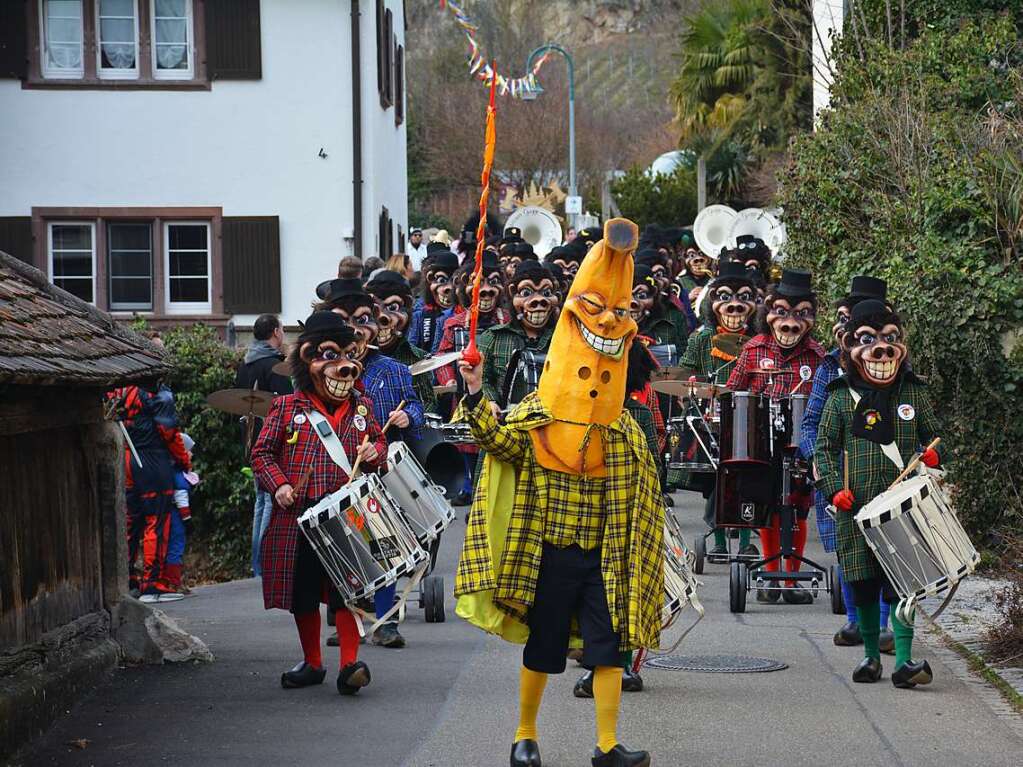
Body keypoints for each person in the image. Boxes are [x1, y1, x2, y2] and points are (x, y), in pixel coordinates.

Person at [455, 219, 662, 767]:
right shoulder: (537, 418)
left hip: (604, 556)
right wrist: (474, 391)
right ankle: (525, 735)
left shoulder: (625, 434)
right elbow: (495, 440)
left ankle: (608, 744)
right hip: (546, 553)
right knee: (543, 650)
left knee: (609, 647)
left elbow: (646, 497)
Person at [251, 312, 385, 695]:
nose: (343, 366)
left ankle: (349, 665)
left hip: (347, 513)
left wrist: (375, 450)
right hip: (301, 515)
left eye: (349, 355)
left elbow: (381, 446)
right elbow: (262, 454)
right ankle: (312, 662)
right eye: (329, 355)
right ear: (306, 360)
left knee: (350, 590)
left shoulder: (363, 407)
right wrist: (278, 486)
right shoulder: (286, 408)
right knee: (303, 593)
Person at [815, 299, 941, 688]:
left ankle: (903, 660)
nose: (881, 349)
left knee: (904, 584)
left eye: (890, 339)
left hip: (904, 509)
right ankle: (871, 657)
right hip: (855, 510)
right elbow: (822, 450)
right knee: (864, 583)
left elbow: (933, 435)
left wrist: (934, 454)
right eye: (868, 340)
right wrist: (835, 490)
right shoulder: (838, 397)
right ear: (849, 348)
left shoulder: (914, 393)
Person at [317, 277, 426, 648]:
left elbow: (416, 405)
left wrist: (408, 417)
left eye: (363, 320)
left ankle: (386, 621)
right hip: (338, 470)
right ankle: (350, 620)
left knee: (386, 546)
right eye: (345, 322)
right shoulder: (323, 373)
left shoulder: (394, 369)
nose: (355, 330)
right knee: (348, 549)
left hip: (380, 470)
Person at [800, 275, 895, 651]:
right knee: (850, 550)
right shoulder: (829, 367)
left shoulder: (897, 366)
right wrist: (820, 464)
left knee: (890, 549)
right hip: (843, 474)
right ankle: (857, 622)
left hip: (889, 471)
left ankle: (886, 629)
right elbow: (810, 423)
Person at [726, 268, 824, 604]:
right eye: (781, 313)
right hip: (762, 444)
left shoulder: (818, 355)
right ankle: (769, 574)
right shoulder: (754, 348)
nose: (790, 324)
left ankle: (791, 581)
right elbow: (732, 392)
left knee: (797, 511)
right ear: (769, 313)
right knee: (768, 508)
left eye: (801, 315)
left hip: (801, 445)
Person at [679, 260, 759, 557]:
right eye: (725, 297)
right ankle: (720, 542)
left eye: (743, 299)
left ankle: (747, 539)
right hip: (712, 421)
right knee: (718, 478)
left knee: (748, 477)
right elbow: (686, 374)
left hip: (752, 418)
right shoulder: (701, 338)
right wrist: (696, 389)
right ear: (713, 303)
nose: (734, 307)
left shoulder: (759, 342)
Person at [434, 251, 510, 505]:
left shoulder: (508, 323)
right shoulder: (453, 324)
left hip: (500, 397)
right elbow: (442, 355)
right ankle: (469, 485)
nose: (485, 291)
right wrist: (448, 381)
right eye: (478, 284)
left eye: (492, 283)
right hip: (464, 395)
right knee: (467, 442)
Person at [106, 379, 192, 603]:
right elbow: (169, 432)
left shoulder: (119, 389)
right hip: (152, 461)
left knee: (131, 523)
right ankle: (153, 583)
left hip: (126, 460)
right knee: (157, 520)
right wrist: (184, 461)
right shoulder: (157, 392)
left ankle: (128, 578)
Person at [235, 314, 293, 577]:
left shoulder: (245, 365)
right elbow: (288, 406)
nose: (282, 334)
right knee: (270, 500)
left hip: (251, 439)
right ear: (274, 332)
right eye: (281, 329)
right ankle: (265, 565)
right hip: (272, 443)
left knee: (260, 502)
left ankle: (255, 564)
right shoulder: (273, 366)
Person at [477, 259, 558, 411]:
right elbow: (483, 378)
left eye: (546, 293)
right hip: (506, 424)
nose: (539, 300)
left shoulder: (563, 339)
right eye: (526, 293)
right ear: (512, 294)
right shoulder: (493, 337)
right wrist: (491, 401)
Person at [365, 269, 438, 414]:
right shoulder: (359, 360)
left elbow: (429, 401)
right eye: (374, 310)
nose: (383, 318)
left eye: (392, 308)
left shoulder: (418, 357)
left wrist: (412, 417)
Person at [165, 433, 199, 595]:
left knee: (170, 548)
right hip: (177, 518)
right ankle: (173, 583)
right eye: (189, 450)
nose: (191, 454)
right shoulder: (178, 476)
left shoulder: (170, 472)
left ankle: (171, 582)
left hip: (169, 515)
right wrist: (187, 520)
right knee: (176, 548)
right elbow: (181, 498)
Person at [409, 246, 459, 353]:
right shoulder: (420, 315)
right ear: (429, 279)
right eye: (441, 280)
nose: (448, 288)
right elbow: (410, 350)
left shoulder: (464, 317)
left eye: (454, 281)